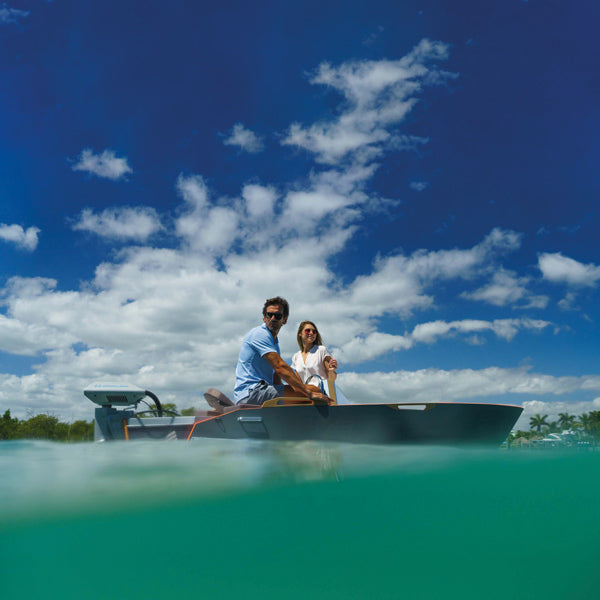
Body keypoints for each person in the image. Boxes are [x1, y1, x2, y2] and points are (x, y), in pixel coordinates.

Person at [233, 297, 332, 405]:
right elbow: (280, 367)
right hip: (252, 392)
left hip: (258, 392)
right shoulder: (260, 334)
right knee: (314, 390)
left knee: (302, 394)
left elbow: (276, 380)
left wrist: (297, 393)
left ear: (284, 320)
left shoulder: (274, 344)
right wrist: (308, 393)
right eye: (269, 315)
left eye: (278, 316)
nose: (273, 318)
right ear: (264, 318)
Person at [291, 321, 338, 388]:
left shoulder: (321, 350)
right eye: (307, 330)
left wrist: (331, 371)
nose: (311, 333)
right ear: (300, 333)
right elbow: (297, 382)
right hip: (304, 393)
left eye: (314, 331)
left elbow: (332, 379)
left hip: (320, 392)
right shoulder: (296, 356)